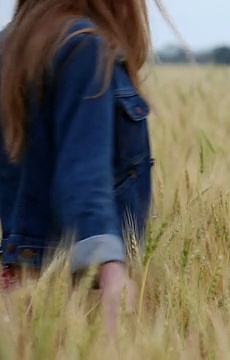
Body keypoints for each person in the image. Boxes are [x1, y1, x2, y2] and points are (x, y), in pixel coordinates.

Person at [0, 0, 155, 333]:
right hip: (78, 302)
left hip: (19, 292)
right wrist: (111, 269)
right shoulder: (83, 47)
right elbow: (83, 173)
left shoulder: (12, 45)